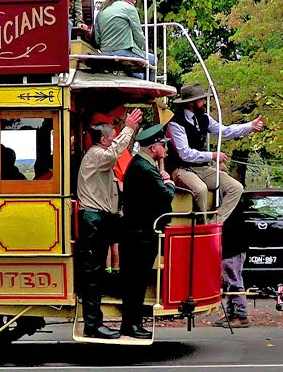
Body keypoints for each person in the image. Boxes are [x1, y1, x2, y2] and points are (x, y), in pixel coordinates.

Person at [75, 108, 143, 339]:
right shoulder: (96, 155)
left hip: (101, 218)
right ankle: (92, 325)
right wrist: (129, 128)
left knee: (98, 271)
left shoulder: (98, 157)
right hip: (93, 219)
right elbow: (115, 152)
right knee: (92, 274)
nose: (116, 140)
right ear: (103, 140)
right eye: (112, 137)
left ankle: (105, 316)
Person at [164, 82, 264, 226]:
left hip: (202, 168)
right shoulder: (176, 123)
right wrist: (212, 156)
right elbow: (184, 153)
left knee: (236, 188)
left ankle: (214, 223)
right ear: (191, 103)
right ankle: (201, 224)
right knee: (200, 189)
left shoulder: (203, 118)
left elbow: (225, 131)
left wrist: (250, 126)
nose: (204, 102)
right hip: (182, 168)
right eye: (201, 100)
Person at [117, 123, 177, 339]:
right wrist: (168, 182)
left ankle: (133, 324)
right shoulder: (144, 168)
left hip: (137, 232)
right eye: (163, 145)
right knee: (136, 281)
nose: (166, 149)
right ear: (153, 148)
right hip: (140, 234)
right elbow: (165, 196)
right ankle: (130, 325)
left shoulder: (141, 165)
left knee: (136, 280)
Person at [95, 0, 153, 77]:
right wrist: (140, 49)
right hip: (123, 53)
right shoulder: (129, 8)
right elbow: (138, 36)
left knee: (138, 75)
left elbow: (97, 40)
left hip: (105, 53)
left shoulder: (102, 10)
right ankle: (151, 91)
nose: (134, 2)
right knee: (153, 60)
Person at [215, 207, 251, 328]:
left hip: (233, 249)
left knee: (234, 281)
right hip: (230, 249)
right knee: (229, 282)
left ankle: (241, 315)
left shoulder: (231, 208)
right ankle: (231, 314)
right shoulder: (232, 206)